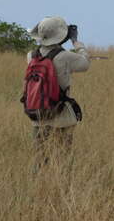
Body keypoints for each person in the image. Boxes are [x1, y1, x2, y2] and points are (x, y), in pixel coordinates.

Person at [27, 16, 90, 170]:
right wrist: (76, 42)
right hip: (61, 115)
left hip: (38, 114)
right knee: (62, 161)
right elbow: (85, 63)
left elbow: (49, 53)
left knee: (40, 160)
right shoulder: (65, 56)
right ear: (61, 36)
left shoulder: (31, 56)